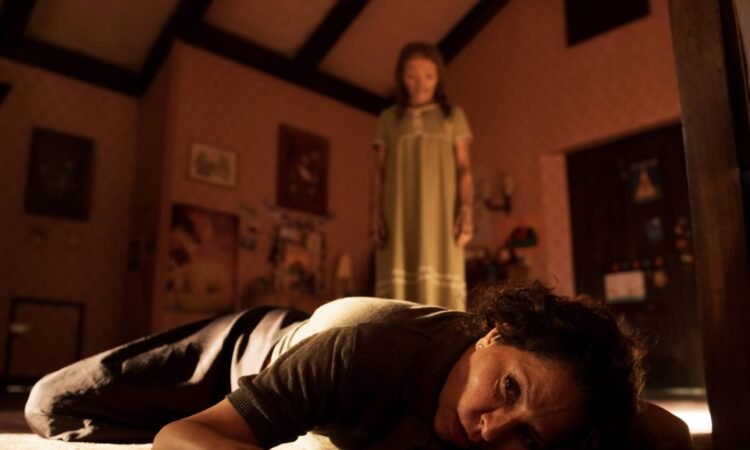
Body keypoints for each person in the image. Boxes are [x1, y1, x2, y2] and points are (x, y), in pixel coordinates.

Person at [25, 282, 657, 449]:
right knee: (52, 406)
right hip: (250, 351)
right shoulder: (362, 350)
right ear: (495, 334)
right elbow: (178, 437)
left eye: (528, 438)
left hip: (313, 395)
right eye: (508, 389)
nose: (491, 429)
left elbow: (669, 431)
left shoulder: (563, 401)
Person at [370, 42, 474, 310]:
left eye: (428, 76)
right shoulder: (388, 119)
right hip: (398, 216)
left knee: (443, 298)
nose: (420, 84)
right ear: (401, 78)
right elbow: (379, 170)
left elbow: (464, 168)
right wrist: (375, 213)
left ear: (438, 78)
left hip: (442, 217)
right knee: (396, 301)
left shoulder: (453, 117)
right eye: (412, 76)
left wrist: (466, 210)